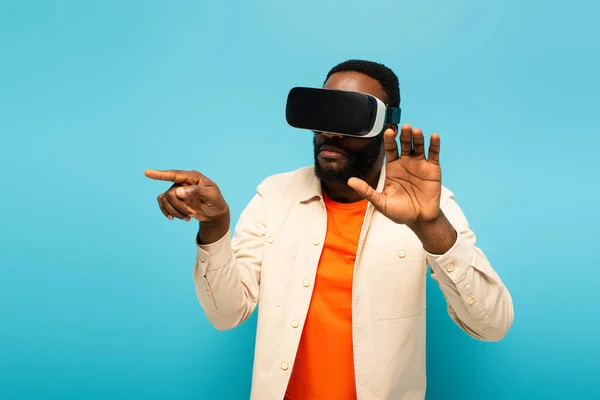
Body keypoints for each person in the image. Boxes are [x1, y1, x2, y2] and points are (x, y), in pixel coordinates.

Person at [145, 59, 514, 400]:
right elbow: (226, 314)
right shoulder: (274, 195)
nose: (330, 132)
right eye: (324, 113)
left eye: (350, 115)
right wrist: (214, 226)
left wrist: (429, 226)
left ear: (388, 127)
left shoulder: (428, 206)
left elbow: (493, 325)